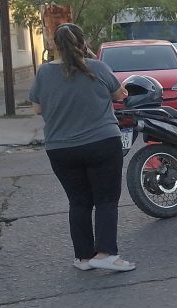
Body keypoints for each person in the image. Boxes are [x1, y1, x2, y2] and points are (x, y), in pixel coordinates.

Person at [29, 23, 134, 272]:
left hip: (61, 148)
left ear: (54, 45)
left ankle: (83, 257)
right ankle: (106, 253)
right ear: (82, 42)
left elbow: (37, 108)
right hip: (101, 143)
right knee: (106, 199)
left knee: (78, 202)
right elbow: (120, 95)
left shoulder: (44, 73)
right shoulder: (97, 67)